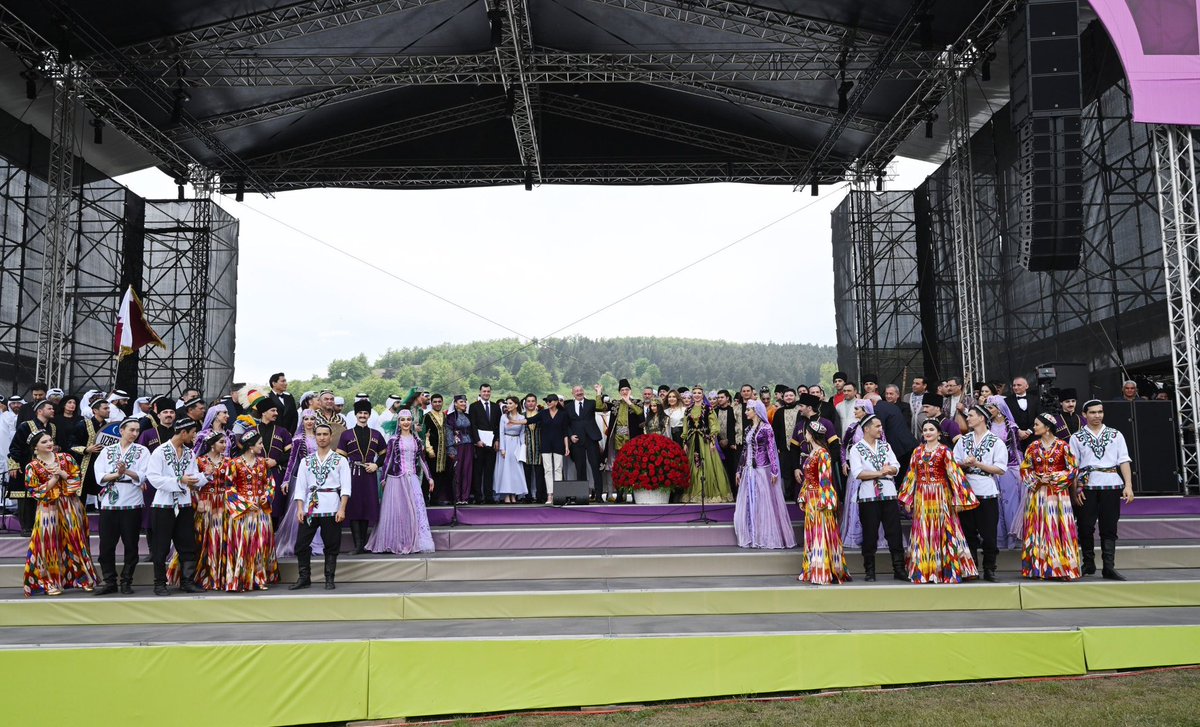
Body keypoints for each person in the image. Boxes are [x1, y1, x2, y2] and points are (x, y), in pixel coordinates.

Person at [899, 420, 979, 584]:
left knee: (944, 530)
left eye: (931, 429)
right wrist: (908, 497)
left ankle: (946, 571)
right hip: (922, 495)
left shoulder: (945, 451)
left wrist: (960, 499)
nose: (927, 432)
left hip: (941, 495)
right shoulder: (917, 451)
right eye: (925, 430)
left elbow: (954, 474)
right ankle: (924, 571)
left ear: (939, 433)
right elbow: (911, 474)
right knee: (923, 530)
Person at [22, 430, 96, 597]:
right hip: (48, 507)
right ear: (35, 448)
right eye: (44, 442)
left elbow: (77, 479)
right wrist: (54, 479)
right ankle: (48, 582)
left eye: (49, 440)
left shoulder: (66, 458)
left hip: (70, 504)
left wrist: (63, 474)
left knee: (76, 539)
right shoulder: (31, 467)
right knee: (48, 545)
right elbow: (34, 492)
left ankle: (83, 578)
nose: (49, 443)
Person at [1070, 400, 1135, 581]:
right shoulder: (1076, 437)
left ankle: (1109, 566)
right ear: (1084, 415)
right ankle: (1088, 563)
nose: (1097, 416)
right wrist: (1075, 489)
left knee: (1109, 526)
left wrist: (1128, 485)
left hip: (1111, 484)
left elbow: (1124, 460)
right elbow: (1073, 466)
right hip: (1087, 486)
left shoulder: (1115, 435)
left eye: (1100, 412)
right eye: (1092, 412)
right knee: (1085, 525)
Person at [144, 415, 206, 596]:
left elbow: (193, 477)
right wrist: (179, 480)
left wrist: (205, 477)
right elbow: (153, 478)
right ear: (183, 432)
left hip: (185, 504)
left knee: (188, 544)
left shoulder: (189, 453)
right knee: (161, 546)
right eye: (193, 433)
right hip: (164, 505)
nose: (194, 437)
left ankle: (187, 581)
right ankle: (159, 584)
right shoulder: (160, 451)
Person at [1018, 412, 1082, 581]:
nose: (1034, 427)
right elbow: (1024, 469)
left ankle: (1062, 568)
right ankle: (1038, 567)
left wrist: (1055, 477)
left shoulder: (1063, 446)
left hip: (1058, 494)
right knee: (1038, 527)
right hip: (1038, 493)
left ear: (1047, 427)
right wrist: (1038, 478)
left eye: (1037, 424)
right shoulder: (1032, 447)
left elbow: (1073, 469)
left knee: (1058, 528)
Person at [289, 423, 350, 590]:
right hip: (310, 508)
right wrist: (300, 508)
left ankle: (329, 578)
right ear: (314, 437)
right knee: (301, 544)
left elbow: (346, 487)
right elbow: (301, 486)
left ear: (330, 437)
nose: (322, 437)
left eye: (325, 434)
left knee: (331, 544)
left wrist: (342, 508)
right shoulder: (306, 461)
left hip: (331, 505)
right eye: (319, 434)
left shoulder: (340, 460)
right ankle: (304, 578)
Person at [92, 418, 149, 595]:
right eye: (131, 430)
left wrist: (126, 472)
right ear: (121, 430)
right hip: (110, 501)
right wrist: (117, 474)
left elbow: (144, 474)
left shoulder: (142, 450)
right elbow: (99, 475)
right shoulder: (108, 450)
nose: (134, 433)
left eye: (137, 430)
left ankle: (126, 581)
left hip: (132, 501)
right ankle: (110, 581)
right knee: (106, 545)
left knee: (131, 544)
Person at [847, 415, 906, 581]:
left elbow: (896, 466)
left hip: (888, 494)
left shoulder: (885, 446)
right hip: (868, 497)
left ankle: (899, 569)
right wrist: (881, 472)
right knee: (870, 533)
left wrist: (890, 470)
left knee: (894, 531)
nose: (881, 429)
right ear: (867, 429)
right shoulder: (856, 449)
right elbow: (858, 473)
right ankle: (869, 571)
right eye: (877, 426)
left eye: (881, 426)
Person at [367, 409, 434, 554]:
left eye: (408, 420)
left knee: (415, 511)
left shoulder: (417, 441)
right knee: (399, 511)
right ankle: (397, 541)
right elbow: (388, 460)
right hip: (397, 479)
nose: (406, 422)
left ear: (412, 422)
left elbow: (422, 460)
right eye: (403, 420)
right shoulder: (393, 440)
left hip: (413, 480)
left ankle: (415, 540)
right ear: (399, 422)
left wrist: (429, 478)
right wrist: (383, 478)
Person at [953, 405, 1007, 582]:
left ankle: (990, 568)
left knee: (989, 533)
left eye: (971, 416)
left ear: (982, 418)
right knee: (968, 532)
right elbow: (954, 463)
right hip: (967, 492)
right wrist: (965, 464)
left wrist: (978, 464)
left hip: (987, 491)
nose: (967, 418)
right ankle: (971, 567)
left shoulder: (996, 441)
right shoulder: (963, 440)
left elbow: (1000, 469)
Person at [733, 400, 796, 550]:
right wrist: (739, 469)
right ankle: (752, 536)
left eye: (749, 409)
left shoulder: (766, 428)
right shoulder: (749, 428)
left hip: (762, 470)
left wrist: (774, 470)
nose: (746, 412)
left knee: (763, 503)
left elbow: (771, 451)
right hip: (749, 470)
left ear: (756, 411)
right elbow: (745, 451)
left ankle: (765, 536)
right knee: (750, 503)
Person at [222, 430, 279, 591]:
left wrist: (266, 496)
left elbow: (270, 483)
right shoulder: (234, 463)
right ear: (250, 445)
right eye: (260, 443)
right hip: (243, 511)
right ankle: (241, 577)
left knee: (261, 543)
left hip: (260, 509)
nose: (262, 446)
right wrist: (245, 503)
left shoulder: (263, 463)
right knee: (243, 543)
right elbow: (229, 487)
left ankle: (259, 577)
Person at [797, 421, 851, 584]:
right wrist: (802, 495)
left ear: (811, 434)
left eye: (806, 432)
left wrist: (825, 500)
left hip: (820, 498)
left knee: (821, 532)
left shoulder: (822, 454)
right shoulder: (812, 453)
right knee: (812, 534)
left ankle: (824, 569)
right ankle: (813, 568)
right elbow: (808, 479)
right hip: (811, 498)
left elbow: (826, 479)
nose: (805, 434)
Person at [338, 399, 386, 554]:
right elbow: (341, 458)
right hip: (352, 474)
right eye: (360, 413)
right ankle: (357, 544)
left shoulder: (376, 434)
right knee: (354, 507)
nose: (363, 415)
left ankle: (363, 544)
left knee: (366, 507)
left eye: (366, 413)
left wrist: (376, 465)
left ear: (369, 415)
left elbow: (384, 455)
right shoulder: (346, 434)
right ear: (356, 415)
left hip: (370, 474)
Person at [8, 399, 58, 536]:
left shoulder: (52, 427)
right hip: (26, 465)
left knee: (43, 494)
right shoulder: (26, 425)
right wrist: (14, 464)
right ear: (40, 411)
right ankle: (26, 527)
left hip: (46, 467)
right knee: (26, 497)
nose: (53, 410)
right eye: (50, 408)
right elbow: (15, 446)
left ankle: (41, 525)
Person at [277, 411, 321, 559]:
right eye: (306, 419)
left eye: (312, 419)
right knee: (301, 510)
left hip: (319, 479)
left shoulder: (320, 437)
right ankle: (299, 542)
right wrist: (286, 480)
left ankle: (315, 542)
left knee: (317, 509)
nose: (309, 421)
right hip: (303, 479)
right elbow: (292, 461)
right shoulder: (297, 439)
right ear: (302, 421)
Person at [985, 396, 1026, 550]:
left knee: (1010, 504)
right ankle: (999, 540)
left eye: (991, 407)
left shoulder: (1012, 427)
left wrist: (1019, 469)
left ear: (1000, 409)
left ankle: (1012, 539)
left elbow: (1015, 449)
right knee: (997, 505)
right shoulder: (987, 425)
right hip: (991, 468)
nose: (989, 411)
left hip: (1009, 468)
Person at [683, 386, 733, 504]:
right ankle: (696, 493)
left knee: (708, 465)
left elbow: (714, 426)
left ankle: (710, 493)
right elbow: (686, 427)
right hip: (692, 441)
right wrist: (685, 442)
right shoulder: (688, 409)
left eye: (699, 393)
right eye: (694, 393)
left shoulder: (708, 408)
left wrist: (712, 441)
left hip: (705, 441)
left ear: (702, 394)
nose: (696, 395)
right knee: (694, 466)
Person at [522, 394, 570, 504]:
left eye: (550, 401)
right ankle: (549, 495)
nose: (548, 402)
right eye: (546, 401)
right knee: (548, 470)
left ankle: (558, 495)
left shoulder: (563, 414)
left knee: (558, 469)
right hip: (545, 445)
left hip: (559, 444)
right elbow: (529, 420)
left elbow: (565, 432)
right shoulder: (543, 413)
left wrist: (567, 446)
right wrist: (513, 420)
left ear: (556, 402)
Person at [254, 396, 293, 529]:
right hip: (255, 476)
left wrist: (275, 461)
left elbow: (291, 454)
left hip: (277, 475)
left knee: (275, 509)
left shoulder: (283, 432)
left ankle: (273, 541)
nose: (276, 413)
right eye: (273, 410)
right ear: (264, 412)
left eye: (277, 410)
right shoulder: (252, 431)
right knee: (257, 507)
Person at [564, 384, 604, 501]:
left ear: (584, 391)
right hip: (577, 441)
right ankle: (582, 496)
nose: (579, 392)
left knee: (595, 467)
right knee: (580, 468)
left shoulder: (591, 403)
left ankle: (598, 496)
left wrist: (598, 392)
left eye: (581, 390)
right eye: (576, 391)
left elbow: (600, 407)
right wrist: (571, 436)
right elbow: (566, 424)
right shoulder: (568, 406)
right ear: (573, 393)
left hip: (591, 439)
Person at [72, 396, 111, 503]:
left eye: (108, 408)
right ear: (95, 411)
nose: (109, 410)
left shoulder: (109, 427)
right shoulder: (82, 425)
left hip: (104, 466)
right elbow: (71, 445)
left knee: (104, 495)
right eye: (105, 408)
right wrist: (86, 449)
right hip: (86, 466)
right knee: (81, 497)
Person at [469, 383, 501, 504]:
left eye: (488, 391)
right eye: (484, 391)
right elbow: (473, 425)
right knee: (478, 471)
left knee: (489, 470)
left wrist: (497, 440)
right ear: (480, 392)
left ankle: (488, 496)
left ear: (490, 392)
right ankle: (478, 496)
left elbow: (499, 426)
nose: (486, 393)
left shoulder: (495, 407)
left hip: (492, 444)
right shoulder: (474, 406)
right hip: (479, 444)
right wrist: (477, 440)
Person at [495, 397, 529, 504]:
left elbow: (522, 433)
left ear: (516, 405)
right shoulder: (504, 417)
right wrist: (502, 449)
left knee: (516, 470)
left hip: (516, 444)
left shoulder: (521, 417)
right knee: (506, 470)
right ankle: (506, 494)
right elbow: (501, 432)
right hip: (506, 443)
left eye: (510, 403)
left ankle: (514, 493)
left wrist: (523, 447)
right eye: (507, 403)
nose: (508, 405)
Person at [772, 388, 803, 499]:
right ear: (783, 398)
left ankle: (800, 496)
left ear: (795, 397)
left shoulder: (800, 410)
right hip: (784, 449)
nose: (789, 397)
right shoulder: (779, 412)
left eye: (791, 395)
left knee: (799, 472)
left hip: (800, 448)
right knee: (786, 474)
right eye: (786, 396)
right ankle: (788, 497)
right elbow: (775, 431)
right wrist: (777, 446)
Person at [423, 394, 453, 505]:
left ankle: (436, 499)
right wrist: (429, 450)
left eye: (439, 401)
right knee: (429, 475)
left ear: (442, 402)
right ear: (431, 403)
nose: (437, 404)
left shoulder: (445, 416)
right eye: (435, 402)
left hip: (443, 452)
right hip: (432, 451)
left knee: (441, 475)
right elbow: (425, 435)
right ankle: (426, 499)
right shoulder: (427, 416)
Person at [715, 389, 744, 497]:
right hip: (718, 445)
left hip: (732, 445)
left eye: (722, 397)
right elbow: (713, 427)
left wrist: (729, 440)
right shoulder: (714, 411)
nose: (719, 399)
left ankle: (735, 494)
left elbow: (736, 427)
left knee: (733, 469)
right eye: (718, 397)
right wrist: (719, 441)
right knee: (720, 470)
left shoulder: (733, 411)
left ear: (727, 398)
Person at [447, 395, 475, 505]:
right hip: (457, 446)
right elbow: (449, 433)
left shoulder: (468, 416)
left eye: (465, 402)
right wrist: (450, 448)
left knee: (467, 471)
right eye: (461, 401)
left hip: (469, 445)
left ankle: (465, 497)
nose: (463, 403)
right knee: (457, 471)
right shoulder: (450, 417)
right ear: (455, 403)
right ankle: (457, 497)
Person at [520, 394, 546, 503]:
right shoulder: (521, 416)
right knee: (526, 474)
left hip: (540, 447)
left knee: (540, 474)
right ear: (525, 403)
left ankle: (541, 496)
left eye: (533, 401)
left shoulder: (542, 415)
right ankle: (527, 496)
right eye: (528, 401)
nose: (530, 403)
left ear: (536, 402)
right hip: (525, 449)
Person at [1006, 376, 1040, 452]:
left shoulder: (1035, 399)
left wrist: (1029, 431)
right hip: (1015, 438)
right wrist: (1018, 431)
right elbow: (1006, 418)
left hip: (1033, 436)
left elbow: (1039, 416)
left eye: (1019, 385)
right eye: (1014, 385)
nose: (1015, 387)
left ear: (1026, 386)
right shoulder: (1007, 401)